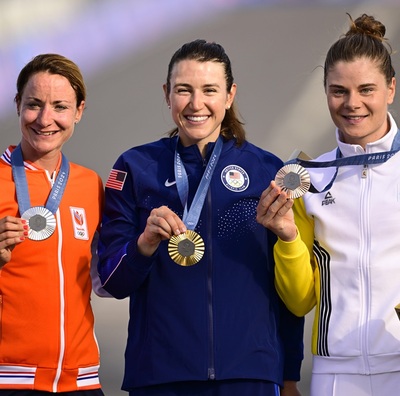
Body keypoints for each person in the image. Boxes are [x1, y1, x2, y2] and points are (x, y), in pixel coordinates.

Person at [98, 39, 304, 396]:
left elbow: (286, 290)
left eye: (209, 90)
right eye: (183, 90)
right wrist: (144, 245)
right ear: (166, 93)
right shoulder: (135, 168)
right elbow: (112, 282)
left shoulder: (266, 170)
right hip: (161, 375)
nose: (196, 104)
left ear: (229, 95)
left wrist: (289, 375)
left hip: (250, 373)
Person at [256, 13, 399, 396]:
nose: (353, 104)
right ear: (325, 92)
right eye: (339, 91)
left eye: (366, 90)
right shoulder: (307, 178)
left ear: (391, 89)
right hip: (337, 374)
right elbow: (300, 300)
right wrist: (287, 237)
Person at [0, 54, 106, 395]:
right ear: (17, 104)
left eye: (60, 106)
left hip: (82, 380)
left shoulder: (90, 185)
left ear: (79, 111)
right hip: (9, 378)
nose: (46, 119)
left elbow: (105, 278)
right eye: (34, 104)